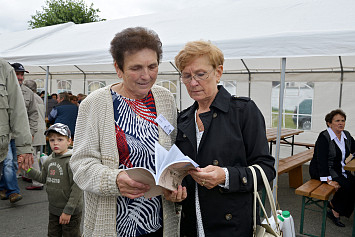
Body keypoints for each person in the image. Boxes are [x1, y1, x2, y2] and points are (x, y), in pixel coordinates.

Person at [70, 27, 184, 237]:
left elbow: (172, 152)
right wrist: (114, 180)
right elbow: (80, 165)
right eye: (136, 68)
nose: (146, 76)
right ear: (118, 68)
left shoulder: (165, 99)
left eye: (152, 66)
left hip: (159, 222)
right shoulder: (95, 104)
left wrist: (175, 185)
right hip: (112, 226)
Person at [174, 40, 276, 236]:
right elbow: (184, 171)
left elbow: (266, 169)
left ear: (218, 72)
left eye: (200, 74)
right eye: (186, 76)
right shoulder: (184, 118)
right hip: (191, 225)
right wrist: (177, 190)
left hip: (231, 226)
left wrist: (226, 176)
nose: (193, 82)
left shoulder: (243, 111)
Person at [23, 123, 83, 237]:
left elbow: (77, 189)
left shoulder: (72, 162)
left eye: (60, 139)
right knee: (52, 234)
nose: (55, 143)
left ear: (69, 141)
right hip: (54, 209)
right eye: (51, 140)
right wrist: (28, 170)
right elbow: (43, 178)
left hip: (70, 212)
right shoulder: (49, 160)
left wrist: (68, 211)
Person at [309, 109, 355, 227]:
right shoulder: (324, 136)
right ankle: (335, 212)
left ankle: (334, 205)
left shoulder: (347, 135)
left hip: (339, 168)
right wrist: (328, 180)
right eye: (337, 121)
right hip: (323, 169)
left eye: (343, 120)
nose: (341, 123)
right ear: (329, 123)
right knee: (346, 186)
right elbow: (321, 160)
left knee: (353, 183)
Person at [0, 59, 33, 203]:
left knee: (10, 163)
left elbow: (25, 113)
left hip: (11, 136)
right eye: (18, 74)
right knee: (8, 164)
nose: (20, 77)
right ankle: (9, 189)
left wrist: (26, 140)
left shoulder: (28, 93)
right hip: (9, 136)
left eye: (22, 74)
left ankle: (11, 190)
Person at [23, 79, 46, 190]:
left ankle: (37, 182)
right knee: (34, 154)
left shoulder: (30, 97)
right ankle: (29, 175)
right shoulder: (39, 98)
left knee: (31, 156)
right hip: (41, 129)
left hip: (34, 129)